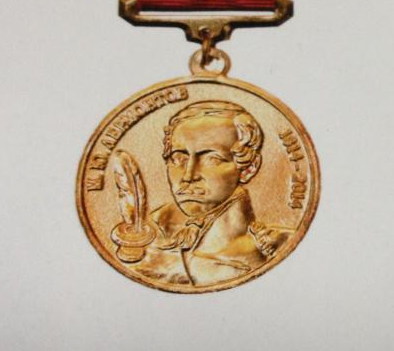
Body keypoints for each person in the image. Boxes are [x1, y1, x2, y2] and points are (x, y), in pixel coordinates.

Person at [124, 100, 290, 287]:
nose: (189, 176)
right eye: (178, 158)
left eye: (212, 159)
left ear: (248, 169)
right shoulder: (145, 235)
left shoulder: (275, 246)